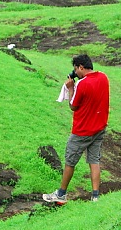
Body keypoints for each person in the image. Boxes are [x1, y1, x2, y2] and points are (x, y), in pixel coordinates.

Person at [43, 54, 109, 204]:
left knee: (70, 161)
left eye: (76, 69)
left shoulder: (82, 84)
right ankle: (95, 196)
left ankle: (61, 194)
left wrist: (71, 88)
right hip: (99, 127)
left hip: (82, 130)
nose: (75, 72)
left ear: (80, 67)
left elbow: (73, 105)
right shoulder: (104, 77)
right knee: (94, 160)